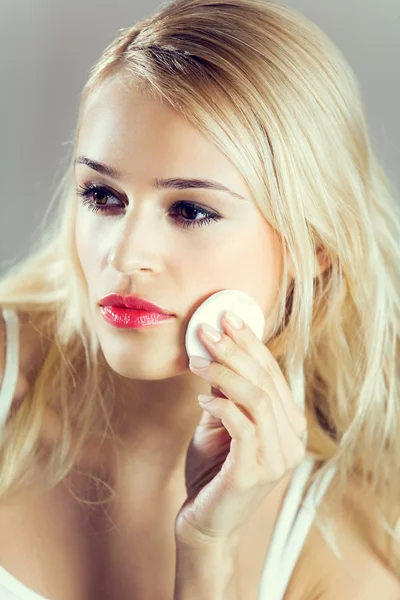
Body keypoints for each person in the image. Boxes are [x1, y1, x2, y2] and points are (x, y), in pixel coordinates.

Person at [0, 0, 399, 598]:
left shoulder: (350, 545)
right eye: (103, 196)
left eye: (190, 210)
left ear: (311, 249)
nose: (126, 253)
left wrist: (208, 552)